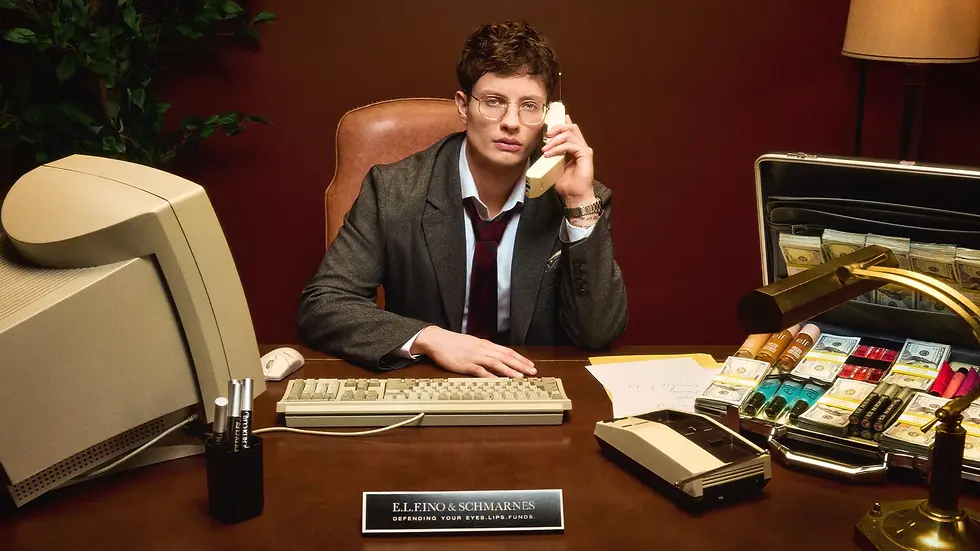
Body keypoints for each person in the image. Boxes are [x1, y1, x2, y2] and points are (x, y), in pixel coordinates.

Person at [297, 21, 628, 378]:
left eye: (529, 105)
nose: (511, 123)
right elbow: (323, 305)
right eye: (493, 102)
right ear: (462, 106)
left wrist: (579, 205)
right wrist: (428, 337)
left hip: (533, 388)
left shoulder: (577, 197)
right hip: (425, 385)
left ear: (550, 116)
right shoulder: (394, 190)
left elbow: (598, 333)